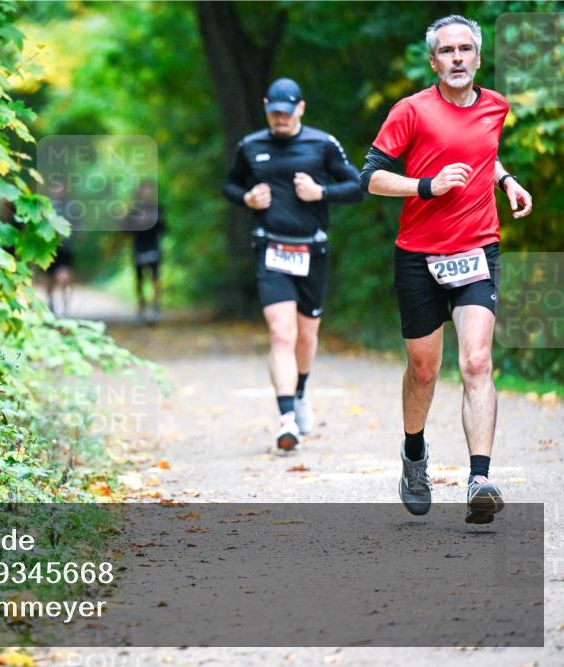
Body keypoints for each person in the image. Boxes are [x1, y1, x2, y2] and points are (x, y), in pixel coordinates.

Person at [359, 15, 533, 523]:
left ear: (478, 58)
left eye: (465, 50)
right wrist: (426, 186)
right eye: (447, 51)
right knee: (424, 369)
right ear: (433, 61)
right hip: (419, 254)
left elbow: (483, 155)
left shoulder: (496, 106)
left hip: (478, 250)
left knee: (477, 361)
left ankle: (480, 478)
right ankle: (414, 454)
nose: (457, 58)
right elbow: (370, 177)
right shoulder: (410, 111)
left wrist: (507, 181)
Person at [224, 78, 363, 453]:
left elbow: (357, 186)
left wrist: (322, 193)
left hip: (312, 251)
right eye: (274, 113)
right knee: (281, 333)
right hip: (271, 249)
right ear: (266, 107)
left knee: (305, 335)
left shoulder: (322, 144)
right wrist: (248, 198)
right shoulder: (251, 146)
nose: (280, 120)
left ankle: (299, 392)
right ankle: (286, 419)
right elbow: (231, 186)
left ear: (301, 108)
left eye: (287, 113)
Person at [124, 179, 165, 324]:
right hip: (138, 247)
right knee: (140, 279)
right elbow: (125, 229)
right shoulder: (133, 210)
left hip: (153, 246)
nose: (147, 192)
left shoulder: (158, 208)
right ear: (140, 192)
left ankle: (155, 307)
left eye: (150, 189)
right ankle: (141, 306)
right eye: (145, 189)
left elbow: (164, 228)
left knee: (155, 278)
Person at [45, 180, 75, 317]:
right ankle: (51, 305)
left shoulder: (72, 207)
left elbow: (78, 225)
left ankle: (65, 308)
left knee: (64, 278)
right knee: (49, 280)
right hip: (48, 248)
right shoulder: (46, 207)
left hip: (66, 248)